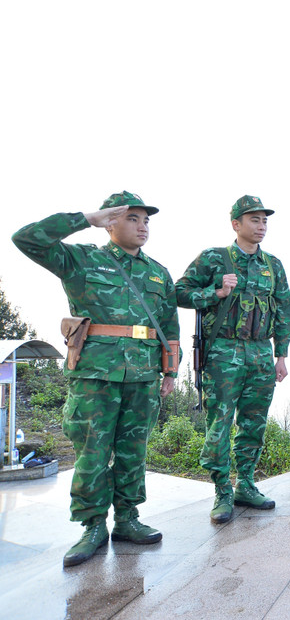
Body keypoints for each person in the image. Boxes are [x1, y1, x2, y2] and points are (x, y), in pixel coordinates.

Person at [12, 191, 179, 567]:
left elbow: (169, 326)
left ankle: (128, 519)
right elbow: (26, 238)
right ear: (112, 221)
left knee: (134, 451)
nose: (142, 226)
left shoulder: (158, 273)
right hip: (95, 374)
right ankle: (91, 526)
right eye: (132, 218)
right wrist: (86, 217)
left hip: (142, 376)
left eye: (146, 220)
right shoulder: (83, 260)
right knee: (93, 452)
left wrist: (170, 371)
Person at [176, 196, 290, 523]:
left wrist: (281, 354)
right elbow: (178, 292)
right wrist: (215, 292)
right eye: (254, 220)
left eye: (264, 220)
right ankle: (222, 491)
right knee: (221, 422)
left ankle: (246, 484)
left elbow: (284, 310)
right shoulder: (214, 259)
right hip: (224, 351)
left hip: (260, 352)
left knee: (254, 421)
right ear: (236, 224)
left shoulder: (273, 265)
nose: (261, 226)